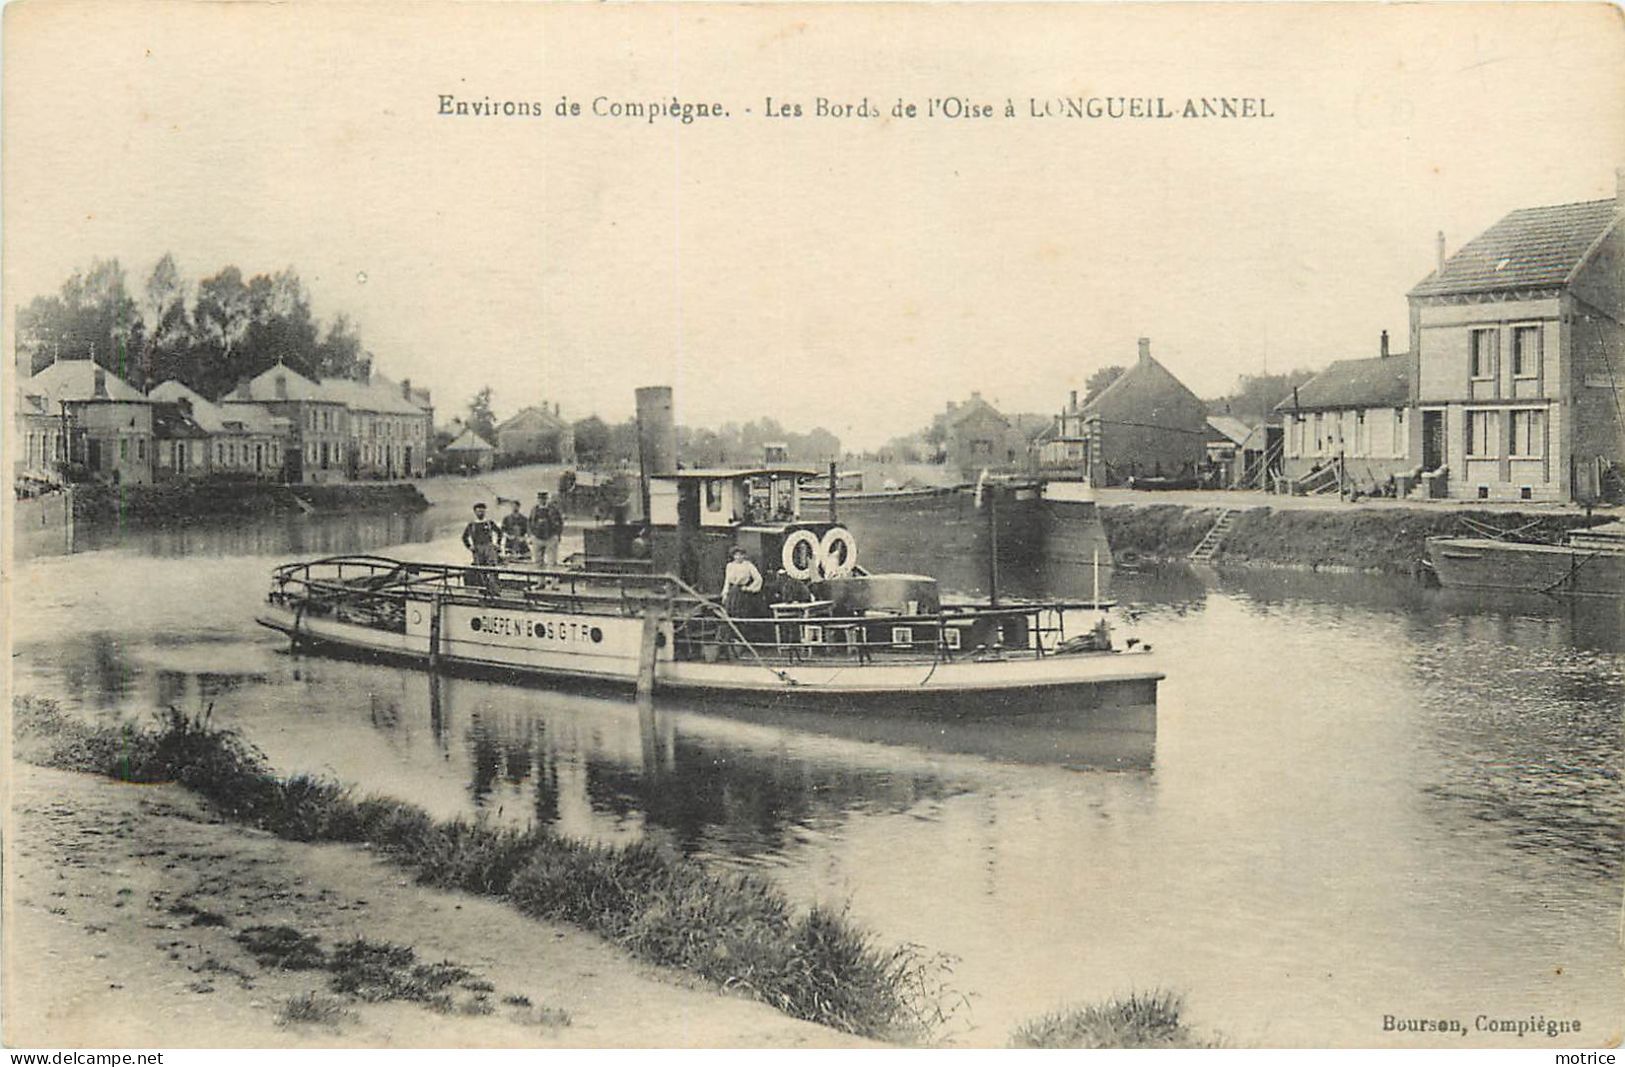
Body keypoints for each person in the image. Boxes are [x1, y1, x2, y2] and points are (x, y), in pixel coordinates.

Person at [461, 502, 502, 595]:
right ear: (475, 512)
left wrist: (497, 544)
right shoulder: (471, 525)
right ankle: (483, 591)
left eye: (482, 511)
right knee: (480, 570)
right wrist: (469, 547)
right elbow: (464, 537)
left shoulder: (489, 523)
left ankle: (495, 591)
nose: (480, 513)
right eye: (478, 511)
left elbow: (499, 532)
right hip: (477, 549)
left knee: (492, 570)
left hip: (489, 548)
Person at [720, 545, 764, 618]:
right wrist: (725, 594)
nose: (738, 557)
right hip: (732, 593)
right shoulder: (730, 566)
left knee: (743, 613)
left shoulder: (748, 565)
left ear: (744, 555)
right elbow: (727, 581)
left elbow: (758, 579)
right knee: (730, 612)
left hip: (743, 593)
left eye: (741, 555)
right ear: (733, 556)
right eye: (736, 555)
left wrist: (749, 588)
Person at [530, 490, 565, 567]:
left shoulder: (553, 509)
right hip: (537, 538)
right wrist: (531, 535)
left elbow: (560, 522)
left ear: (547, 499)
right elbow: (530, 523)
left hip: (550, 538)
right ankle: (540, 579)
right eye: (540, 498)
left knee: (552, 562)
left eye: (544, 498)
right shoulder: (534, 510)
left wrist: (557, 535)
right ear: (538, 499)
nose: (542, 500)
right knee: (537, 563)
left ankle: (552, 578)